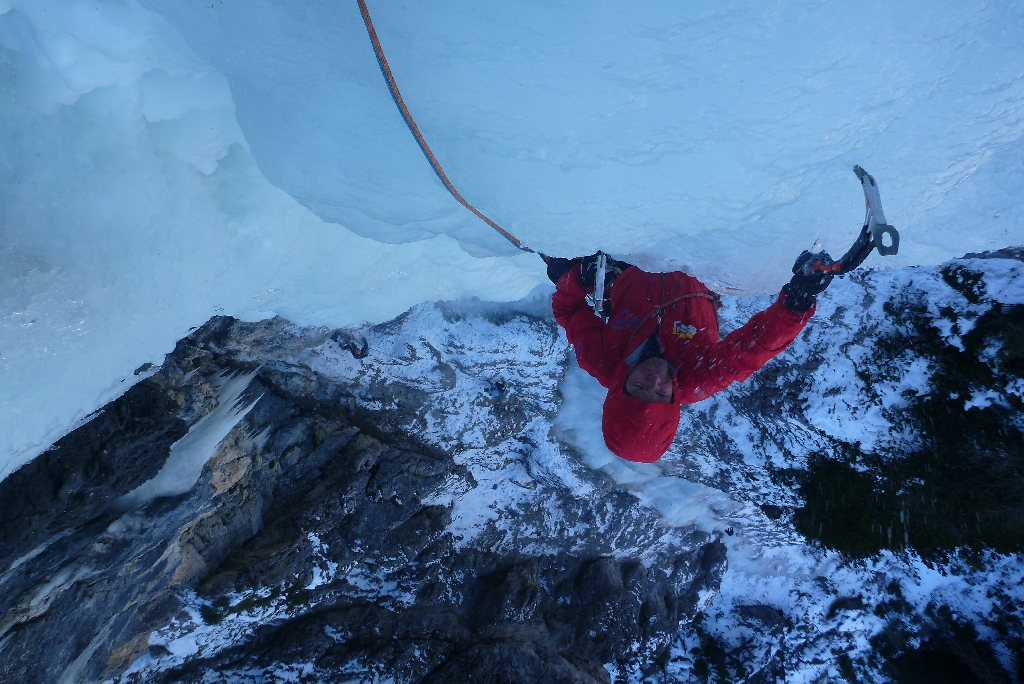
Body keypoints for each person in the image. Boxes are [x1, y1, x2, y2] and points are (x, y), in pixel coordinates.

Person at [547, 251, 833, 463]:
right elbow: (753, 349)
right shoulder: (699, 378)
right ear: (673, 404)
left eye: (639, 387)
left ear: (619, 388)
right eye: (661, 394)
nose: (656, 379)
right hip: (699, 261)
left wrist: (576, 280)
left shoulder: (600, 359)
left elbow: (568, 311)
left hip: (631, 260)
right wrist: (796, 303)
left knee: (560, 266)